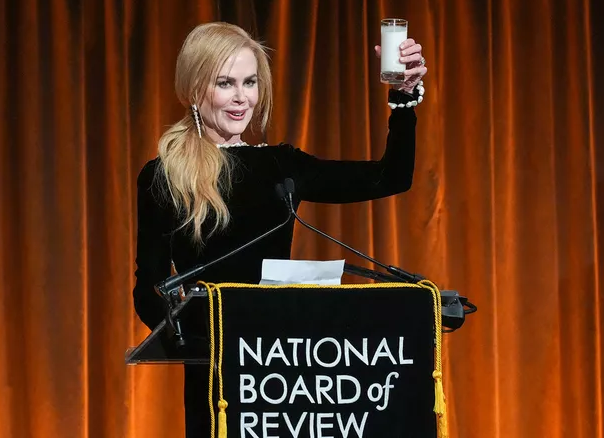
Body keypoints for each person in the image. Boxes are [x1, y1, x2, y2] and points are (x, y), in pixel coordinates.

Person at [132, 21, 427, 437]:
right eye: (225, 83)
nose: (241, 97)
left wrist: (403, 99)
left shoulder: (280, 168)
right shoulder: (163, 176)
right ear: (195, 88)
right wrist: (202, 337)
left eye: (250, 82)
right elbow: (149, 288)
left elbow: (390, 177)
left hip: (287, 376)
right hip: (217, 378)